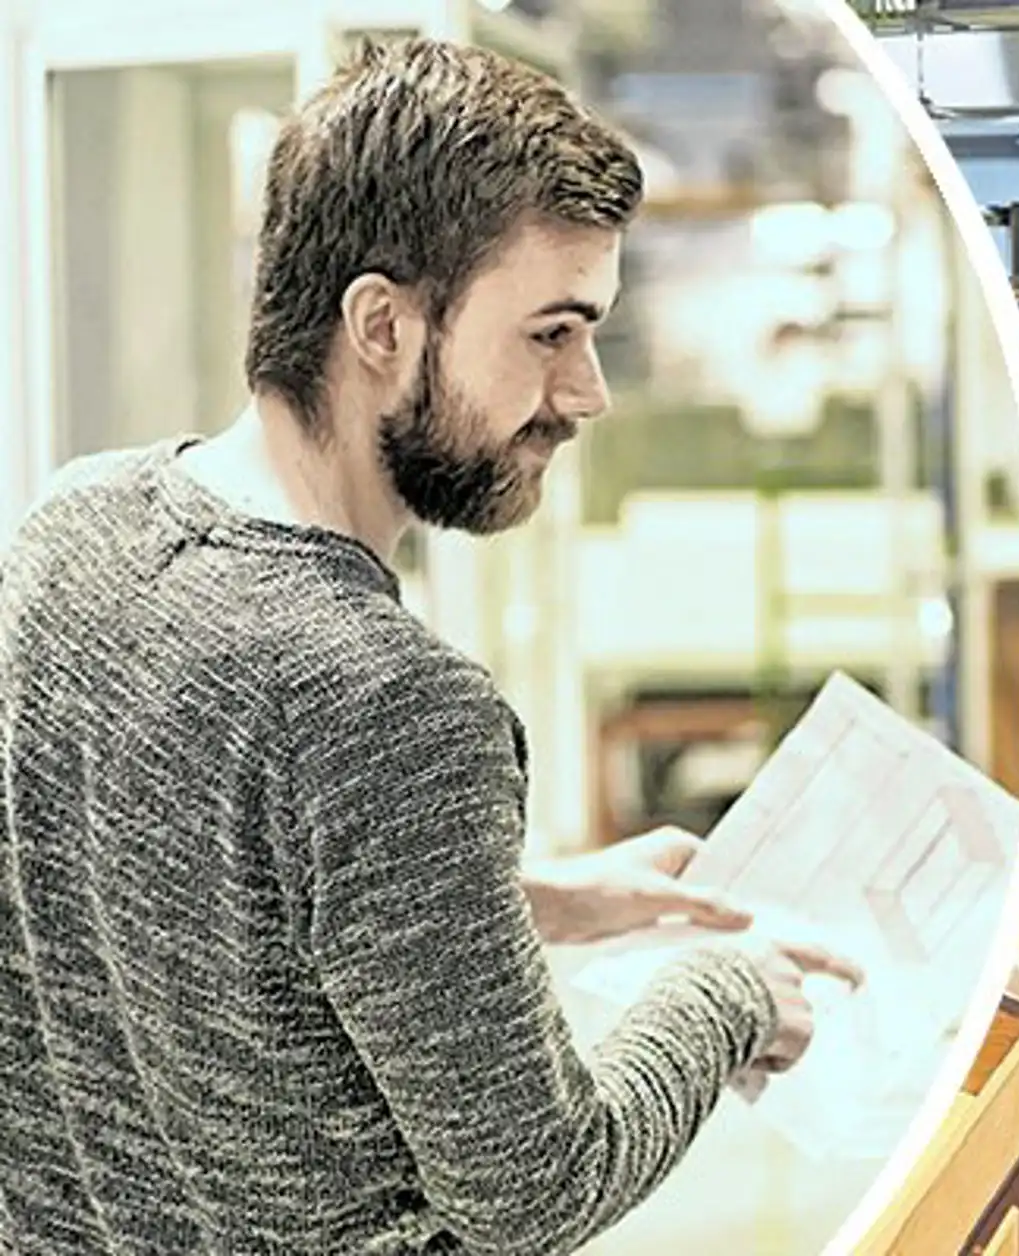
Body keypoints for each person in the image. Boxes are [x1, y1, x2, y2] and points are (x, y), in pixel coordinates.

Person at [0, 37, 860, 1255]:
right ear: (382, 325)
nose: (587, 392)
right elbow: (538, 1186)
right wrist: (729, 993)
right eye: (551, 333)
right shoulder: (390, 704)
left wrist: (513, 903)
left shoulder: (72, 527)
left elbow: (157, 900)